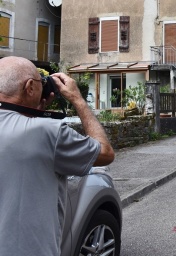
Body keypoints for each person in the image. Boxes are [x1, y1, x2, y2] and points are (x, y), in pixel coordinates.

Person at [0, 56, 115, 255]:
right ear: (29, 87)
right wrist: (78, 99)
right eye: (40, 82)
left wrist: (33, 111)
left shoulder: (38, 130)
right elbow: (105, 152)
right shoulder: (48, 132)